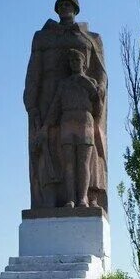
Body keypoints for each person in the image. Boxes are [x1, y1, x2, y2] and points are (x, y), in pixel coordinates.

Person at [23, 0, 108, 209]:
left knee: (84, 157)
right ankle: (49, 200)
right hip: (48, 99)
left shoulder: (90, 38)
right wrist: (32, 104)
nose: (65, 8)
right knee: (50, 153)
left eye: (69, 4)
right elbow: (33, 73)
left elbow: (101, 73)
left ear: (76, 9)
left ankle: (86, 197)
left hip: (81, 104)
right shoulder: (43, 37)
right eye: (61, 5)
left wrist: (98, 90)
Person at [38, 49, 103, 207]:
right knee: (68, 163)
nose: (74, 64)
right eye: (71, 61)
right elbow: (55, 107)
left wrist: (91, 87)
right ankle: (71, 199)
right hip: (67, 121)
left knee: (83, 162)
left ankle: (82, 198)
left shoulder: (91, 82)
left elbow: (98, 109)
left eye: (77, 61)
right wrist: (45, 126)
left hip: (84, 120)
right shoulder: (64, 84)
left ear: (84, 63)